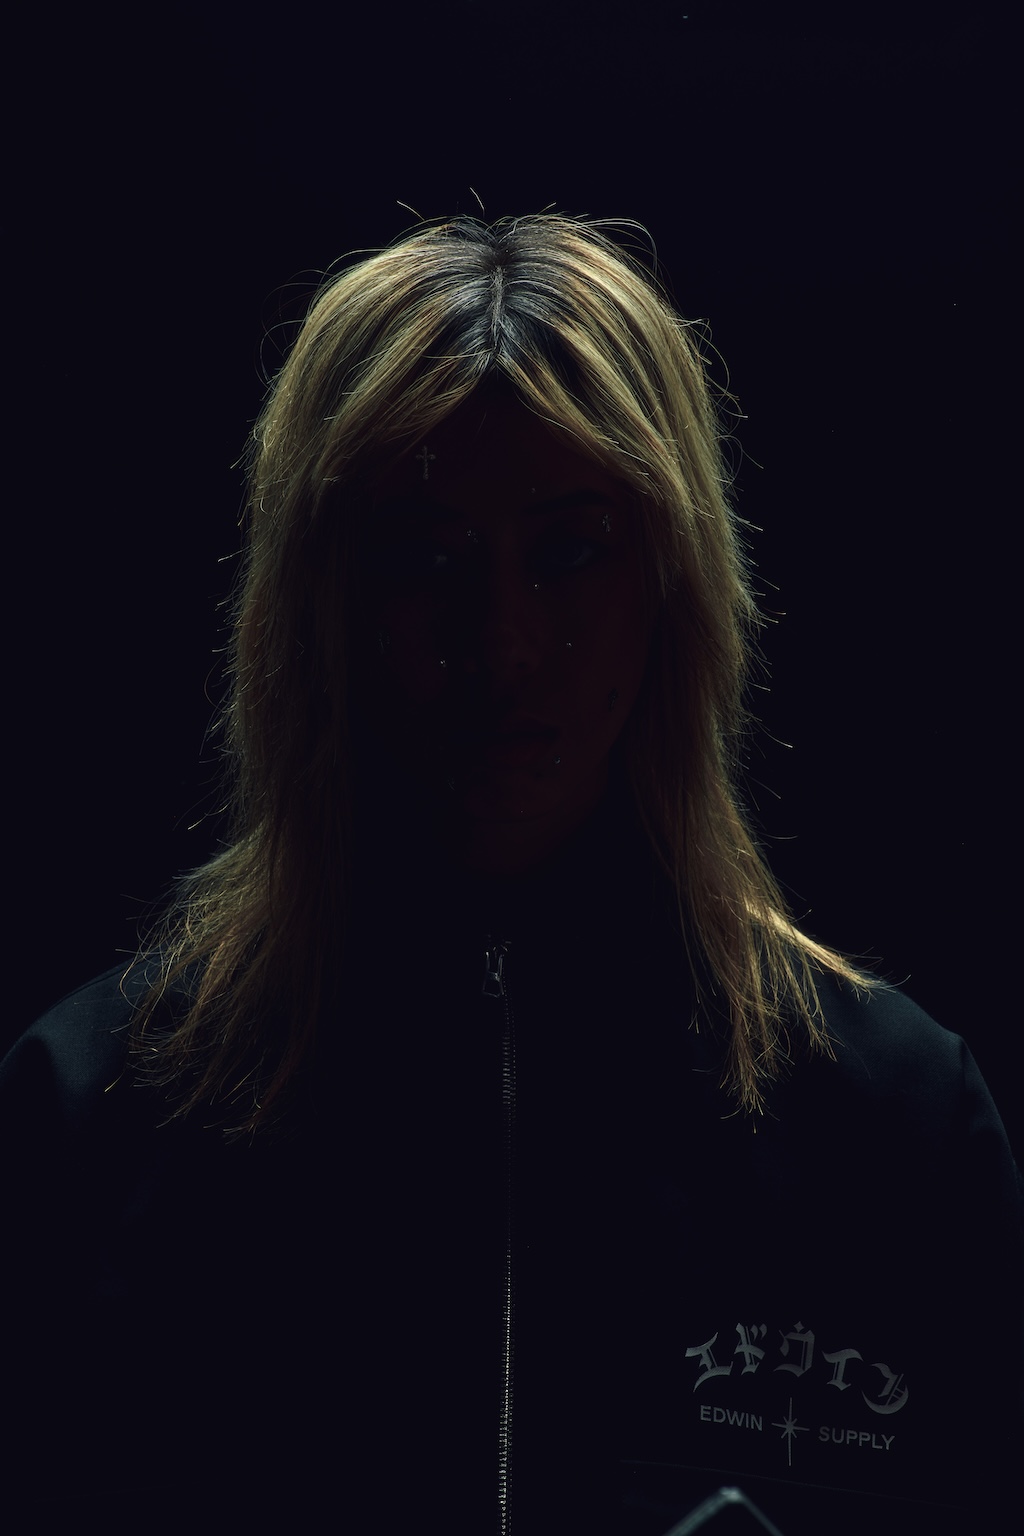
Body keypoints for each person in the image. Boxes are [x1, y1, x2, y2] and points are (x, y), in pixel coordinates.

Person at [3, 214, 1021, 1534]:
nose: (503, 641)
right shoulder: (81, 1125)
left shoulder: (895, 1131)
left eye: (570, 550)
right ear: (323, 603)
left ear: (671, 585)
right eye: (427, 556)